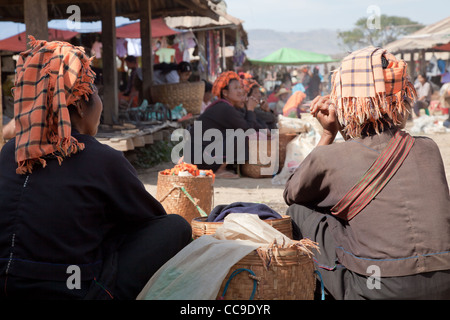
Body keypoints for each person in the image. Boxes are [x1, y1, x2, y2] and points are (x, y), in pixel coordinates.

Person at [0, 37, 192, 300]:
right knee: (175, 226)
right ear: (79, 104)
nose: (100, 102)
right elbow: (150, 222)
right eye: (97, 92)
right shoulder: (102, 159)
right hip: (71, 291)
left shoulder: (9, 152)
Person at [284, 46, 450, 300]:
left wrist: (328, 134)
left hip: (378, 287)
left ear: (346, 101)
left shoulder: (330, 158)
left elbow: (292, 192)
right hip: (444, 281)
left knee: (299, 210)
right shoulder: (429, 148)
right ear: (400, 97)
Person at [184, 71, 261, 179]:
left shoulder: (227, 107)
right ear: (225, 93)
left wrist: (247, 109)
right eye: (236, 88)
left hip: (199, 154)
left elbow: (250, 123)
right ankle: (218, 170)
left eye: (240, 88)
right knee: (240, 135)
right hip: (200, 156)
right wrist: (250, 109)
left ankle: (218, 166)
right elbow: (248, 130)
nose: (240, 91)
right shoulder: (224, 108)